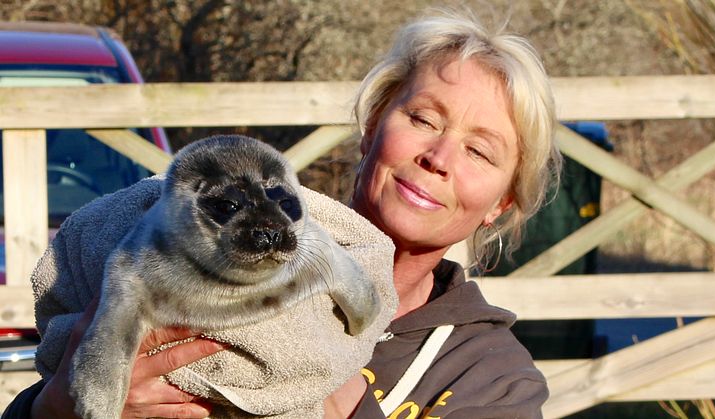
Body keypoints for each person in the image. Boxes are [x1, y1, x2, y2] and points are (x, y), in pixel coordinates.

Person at [3, 9, 560, 419]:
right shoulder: (209, 239)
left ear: (501, 205)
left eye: (479, 152)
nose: (437, 158)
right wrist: (55, 408)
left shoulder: (492, 379)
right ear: (372, 130)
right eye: (422, 118)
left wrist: (326, 383)